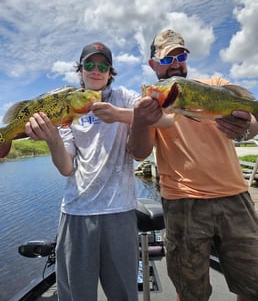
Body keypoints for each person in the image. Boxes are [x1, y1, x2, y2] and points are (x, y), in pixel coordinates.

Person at [127, 29, 258, 301]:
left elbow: (251, 124)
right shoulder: (153, 102)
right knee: (190, 292)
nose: (175, 64)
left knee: (253, 283)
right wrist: (140, 121)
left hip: (236, 197)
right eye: (166, 59)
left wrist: (245, 127)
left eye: (180, 56)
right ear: (153, 65)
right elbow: (139, 153)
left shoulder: (216, 83)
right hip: (182, 203)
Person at [25, 42, 140, 301]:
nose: (96, 70)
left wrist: (120, 115)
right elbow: (66, 167)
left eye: (103, 65)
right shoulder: (67, 106)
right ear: (81, 70)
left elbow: (156, 116)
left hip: (120, 211)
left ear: (111, 72)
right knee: (77, 295)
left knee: (124, 294)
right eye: (89, 64)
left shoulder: (124, 97)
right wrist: (52, 137)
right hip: (76, 212)